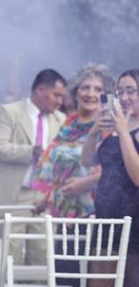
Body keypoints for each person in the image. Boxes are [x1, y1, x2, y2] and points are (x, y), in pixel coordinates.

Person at [67, 69, 139, 287]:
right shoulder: (114, 129)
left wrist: (124, 131)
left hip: (134, 222)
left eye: (131, 91)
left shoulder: (130, 131)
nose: (124, 97)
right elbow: (88, 161)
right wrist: (96, 131)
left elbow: (136, 176)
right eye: (121, 91)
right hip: (105, 219)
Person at [0, 69, 67, 265]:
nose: (60, 101)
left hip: (45, 195)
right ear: (41, 90)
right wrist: (30, 152)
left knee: (43, 251)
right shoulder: (11, 112)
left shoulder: (61, 119)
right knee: (10, 252)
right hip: (14, 193)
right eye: (56, 95)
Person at [31, 64, 114, 218]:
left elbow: (116, 169)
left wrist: (86, 183)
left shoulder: (108, 125)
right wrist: (47, 198)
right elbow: (60, 166)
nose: (90, 94)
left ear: (105, 96)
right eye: (85, 88)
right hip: (63, 211)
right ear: (75, 93)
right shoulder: (69, 123)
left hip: (94, 213)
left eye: (98, 89)